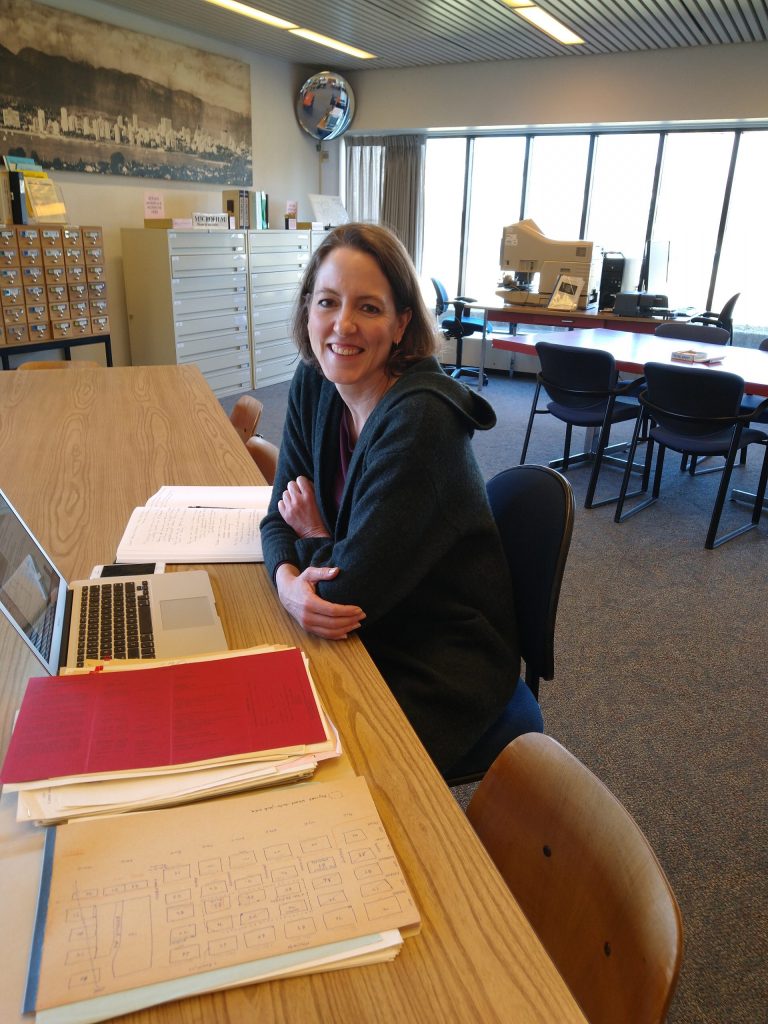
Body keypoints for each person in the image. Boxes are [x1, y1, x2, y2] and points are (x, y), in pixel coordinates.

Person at [260, 223, 521, 776]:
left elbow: (347, 593)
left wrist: (312, 536)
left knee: (304, 767)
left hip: (434, 656)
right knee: (259, 711)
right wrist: (287, 582)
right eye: (327, 302)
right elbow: (274, 517)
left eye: (370, 308)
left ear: (402, 323)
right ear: (308, 310)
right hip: (373, 627)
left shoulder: (420, 422)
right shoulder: (315, 380)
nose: (343, 325)